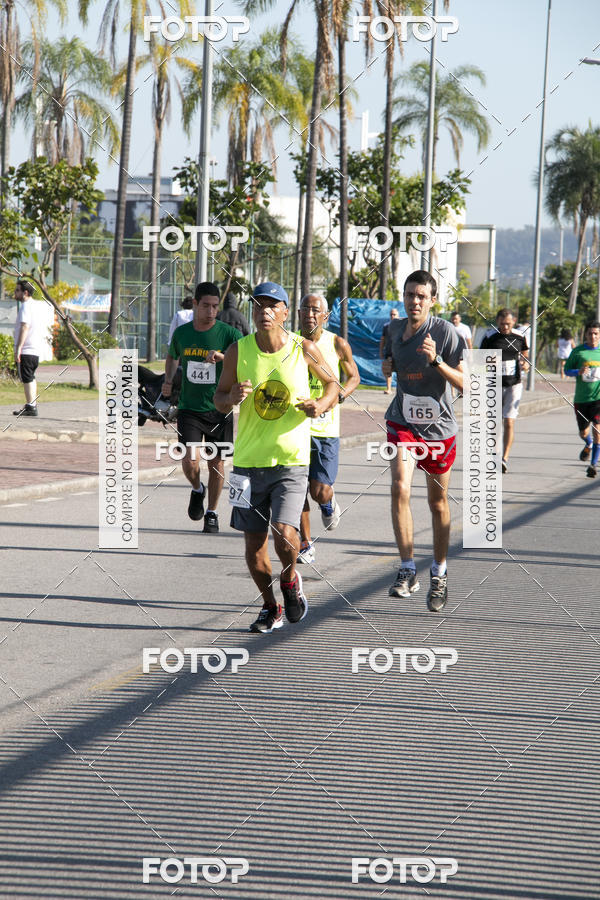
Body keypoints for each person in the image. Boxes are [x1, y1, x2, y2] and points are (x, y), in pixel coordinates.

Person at [214, 281, 339, 634]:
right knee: (253, 548)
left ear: (285, 313)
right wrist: (230, 398)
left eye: (272, 306)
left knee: (285, 534)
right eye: (258, 305)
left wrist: (321, 405)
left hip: (291, 462)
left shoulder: (303, 348)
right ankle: (271, 607)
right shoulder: (238, 351)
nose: (264, 311)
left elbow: (333, 385)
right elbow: (218, 399)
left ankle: (289, 578)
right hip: (246, 465)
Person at [382, 270, 465, 613]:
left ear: (432, 300)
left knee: (437, 503)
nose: (414, 301)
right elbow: (389, 361)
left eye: (421, 296)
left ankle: (439, 572)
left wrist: (437, 361)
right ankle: (407, 569)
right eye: (409, 295)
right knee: (399, 487)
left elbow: (467, 384)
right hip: (402, 422)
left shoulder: (446, 333)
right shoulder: (392, 329)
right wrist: (387, 368)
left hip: (439, 429)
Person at [162, 282, 242, 533]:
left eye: (215, 306)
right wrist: (167, 381)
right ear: (195, 304)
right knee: (190, 460)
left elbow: (246, 361)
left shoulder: (229, 334)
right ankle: (197, 489)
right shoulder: (182, 333)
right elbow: (172, 356)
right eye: (206, 305)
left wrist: (223, 357)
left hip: (221, 407)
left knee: (216, 464)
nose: (211, 311)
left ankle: (212, 512)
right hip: (189, 407)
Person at [297, 293, 360, 565]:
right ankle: (305, 543)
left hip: (325, 429)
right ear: (298, 313)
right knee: (297, 489)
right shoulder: (290, 342)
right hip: (295, 428)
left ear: (326, 316)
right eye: (306, 309)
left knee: (319, 489)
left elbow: (354, 376)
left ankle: (327, 502)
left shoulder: (337, 343)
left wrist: (339, 396)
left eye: (316, 310)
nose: (310, 314)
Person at [480, 308, 529, 474]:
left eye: (508, 323)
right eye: (502, 324)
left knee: (509, 421)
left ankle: (504, 458)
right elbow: (479, 359)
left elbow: (525, 356)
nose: (505, 327)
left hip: (514, 384)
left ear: (513, 321)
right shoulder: (489, 336)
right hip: (494, 384)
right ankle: (494, 454)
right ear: (497, 322)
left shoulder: (520, 336)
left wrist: (525, 364)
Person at [564, 321, 600, 478]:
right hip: (581, 399)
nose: (593, 336)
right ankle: (588, 443)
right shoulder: (578, 352)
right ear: (585, 334)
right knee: (583, 432)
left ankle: (593, 465)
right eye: (590, 333)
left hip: (598, 398)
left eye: (596, 333)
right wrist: (578, 371)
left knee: (598, 430)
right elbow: (566, 370)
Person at [13, 280, 45, 418]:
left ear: (25, 292)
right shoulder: (35, 306)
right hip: (35, 348)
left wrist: (19, 348)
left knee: (27, 377)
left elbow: (25, 327)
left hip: (27, 348)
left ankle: (31, 407)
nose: (15, 293)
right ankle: (31, 404)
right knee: (30, 377)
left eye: (17, 290)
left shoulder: (25, 306)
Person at [379, 307, 400, 393]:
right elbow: (383, 339)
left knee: (400, 371)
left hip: (400, 352)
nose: (392, 316)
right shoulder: (386, 326)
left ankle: (401, 390)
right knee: (388, 369)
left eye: (394, 314)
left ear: (398, 315)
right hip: (389, 351)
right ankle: (389, 388)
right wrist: (381, 351)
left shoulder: (402, 325)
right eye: (391, 314)